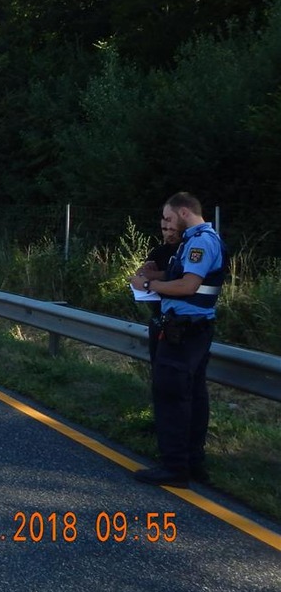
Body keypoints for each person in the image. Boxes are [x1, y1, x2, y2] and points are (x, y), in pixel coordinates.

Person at [130, 192, 226, 487]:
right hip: (191, 329)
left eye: (169, 218)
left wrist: (148, 284)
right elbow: (178, 273)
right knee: (193, 396)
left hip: (185, 330)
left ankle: (174, 468)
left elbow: (187, 285)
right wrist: (153, 273)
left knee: (171, 395)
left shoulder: (200, 242)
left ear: (184, 213)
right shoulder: (193, 241)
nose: (165, 223)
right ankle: (193, 463)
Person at [131, 218, 181, 365]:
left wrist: (153, 277)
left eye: (172, 229)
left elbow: (177, 276)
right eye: (165, 230)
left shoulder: (185, 251)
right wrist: (145, 270)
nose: (168, 234)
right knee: (157, 361)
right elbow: (141, 273)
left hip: (179, 315)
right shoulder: (159, 251)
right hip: (158, 313)